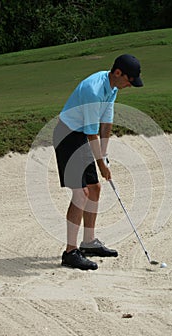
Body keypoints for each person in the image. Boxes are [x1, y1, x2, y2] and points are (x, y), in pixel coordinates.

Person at [53, 54, 143, 270]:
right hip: (67, 136)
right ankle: (70, 252)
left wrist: (104, 154)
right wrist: (101, 164)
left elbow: (106, 122)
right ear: (118, 73)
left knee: (94, 188)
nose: (129, 85)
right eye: (129, 81)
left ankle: (88, 243)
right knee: (81, 193)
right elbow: (92, 133)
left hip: (81, 135)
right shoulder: (94, 90)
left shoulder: (112, 87)